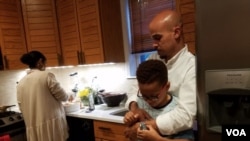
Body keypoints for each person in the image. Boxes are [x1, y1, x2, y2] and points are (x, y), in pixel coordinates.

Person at [125, 9, 197, 136]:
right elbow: (133, 90)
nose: (153, 45)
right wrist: (135, 109)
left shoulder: (192, 66)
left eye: (158, 38)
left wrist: (140, 127)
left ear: (176, 32)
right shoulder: (152, 59)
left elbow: (185, 115)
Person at [125, 60, 194, 141]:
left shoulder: (178, 109)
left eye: (154, 96)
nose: (148, 101)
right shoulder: (139, 103)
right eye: (144, 96)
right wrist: (129, 120)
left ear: (167, 86)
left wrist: (157, 139)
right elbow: (129, 132)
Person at [16, 51, 73, 141]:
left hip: (34, 130)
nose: (45, 65)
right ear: (40, 61)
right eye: (45, 63)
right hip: (51, 128)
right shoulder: (46, 75)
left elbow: (21, 106)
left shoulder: (21, 82)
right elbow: (63, 97)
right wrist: (69, 95)